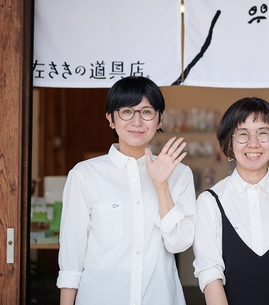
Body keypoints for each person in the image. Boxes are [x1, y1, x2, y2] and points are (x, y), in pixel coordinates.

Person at [57, 76, 196, 305]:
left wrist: (161, 185)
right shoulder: (85, 175)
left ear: (159, 119)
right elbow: (72, 256)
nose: (137, 121)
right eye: (126, 112)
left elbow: (179, 244)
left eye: (147, 112)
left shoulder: (180, 174)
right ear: (111, 119)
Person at [193, 97, 269, 305]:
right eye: (243, 134)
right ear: (230, 141)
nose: (253, 143)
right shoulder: (210, 201)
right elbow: (210, 274)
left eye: (262, 133)